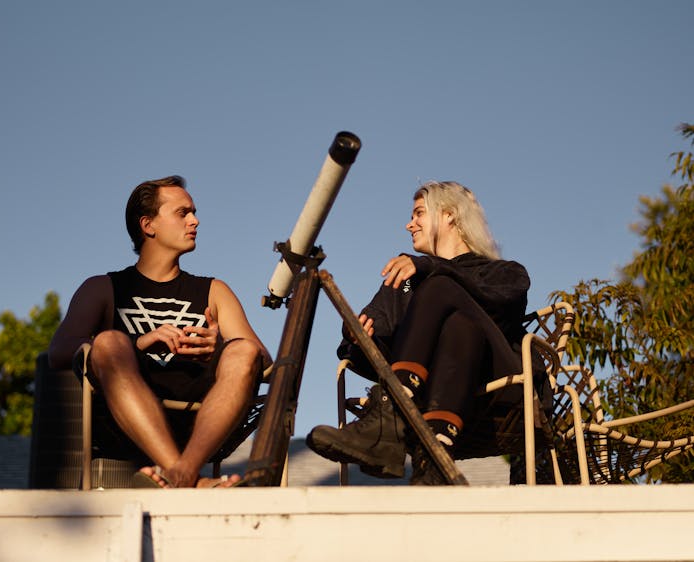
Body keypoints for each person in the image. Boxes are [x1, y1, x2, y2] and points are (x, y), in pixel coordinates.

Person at [48, 175, 272, 488]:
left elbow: (264, 360)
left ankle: (179, 474)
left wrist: (220, 346)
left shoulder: (215, 291)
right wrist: (138, 342)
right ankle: (190, 478)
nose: (195, 220)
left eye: (193, 212)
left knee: (243, 349)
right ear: (148, 225)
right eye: (183, 213)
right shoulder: (102, 288)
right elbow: (59, 352)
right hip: (122, 423)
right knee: (109, 342)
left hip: (201, 423)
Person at [306, 180, 532, 485]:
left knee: (444, 292)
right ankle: (433, 465)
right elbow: (381, 341)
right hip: (430, 395)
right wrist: (358, 337)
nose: (409, 224)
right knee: (457, 325)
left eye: (418, 213)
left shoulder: (502, 272)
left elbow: (502, 308)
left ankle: (389, 412)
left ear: (449, 214)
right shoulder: (408, 281)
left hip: (499, 384)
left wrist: (428, 267)